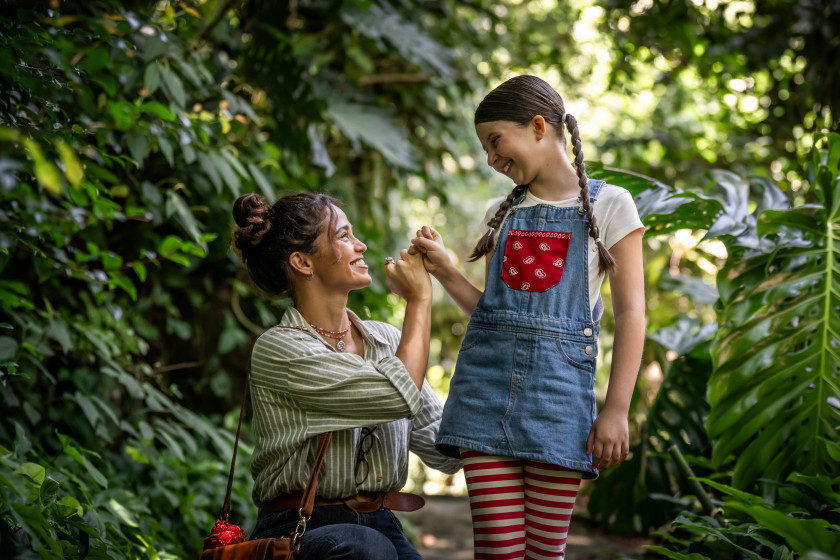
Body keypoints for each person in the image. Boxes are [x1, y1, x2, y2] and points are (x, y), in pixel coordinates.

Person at [409, 75, 645, 559]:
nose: (491, 159)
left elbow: (631, 314)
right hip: (482, 394)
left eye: (495, 142)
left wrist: (617, 409)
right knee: (498, 549)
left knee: (543, 552)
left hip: (558, 406)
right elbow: (493, 313)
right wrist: (446, 271)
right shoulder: (501, 212)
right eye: (485, 149)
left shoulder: (611, 205)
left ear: (538, 126)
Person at [231, 191, 461, 560]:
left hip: (382, 525)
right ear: (302, 262)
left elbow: (443, 447)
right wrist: (419, 300)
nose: (361, 245)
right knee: (367, 548)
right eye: (343, 235)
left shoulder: (388, 341)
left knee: (378, 546)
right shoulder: (280, 348)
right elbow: (396, 394)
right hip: (299, 528)